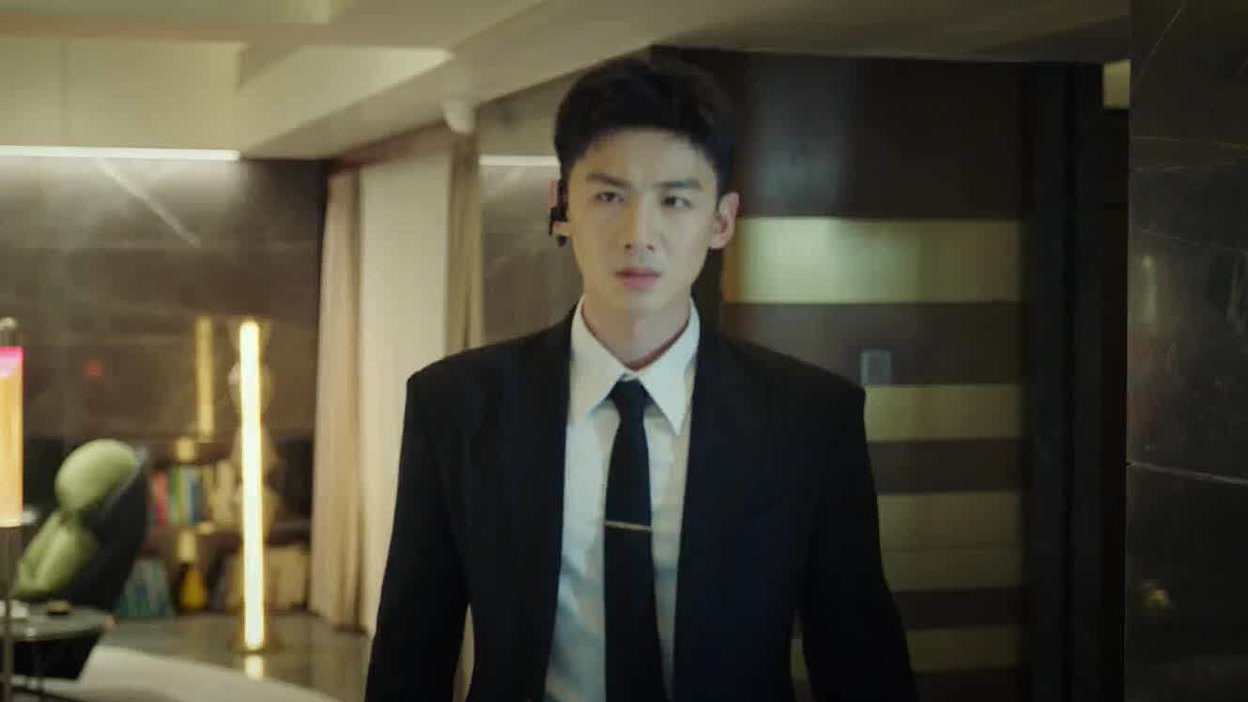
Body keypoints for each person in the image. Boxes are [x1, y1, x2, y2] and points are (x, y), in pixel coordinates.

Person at [365, 56, 916, 702]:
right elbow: (412, 652)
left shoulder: (808, 418)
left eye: (675, 201)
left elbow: (858, 659)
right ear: (561, 207)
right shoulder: (457, 405)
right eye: (609, 197)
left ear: (721, 221)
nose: (639, 235)